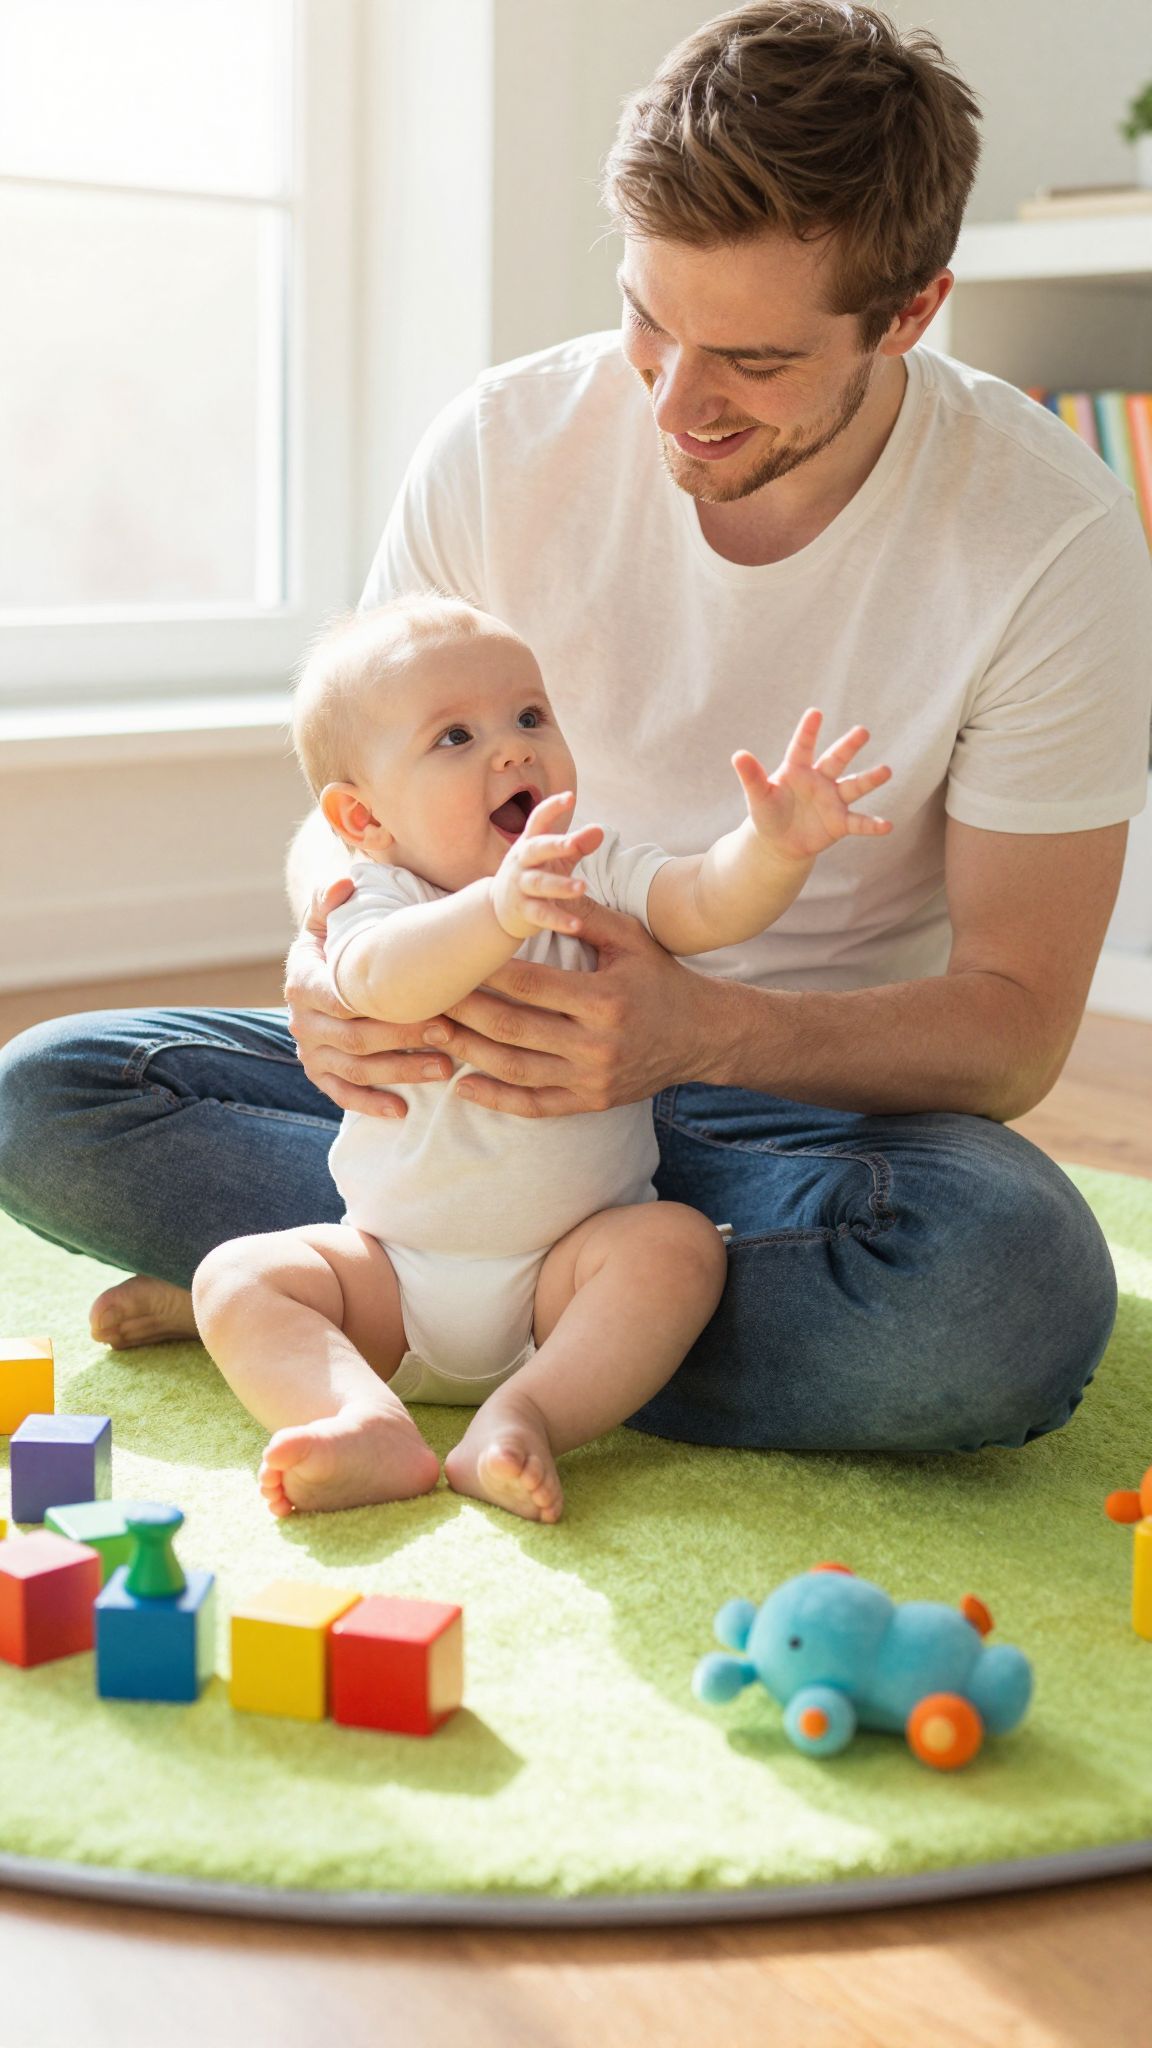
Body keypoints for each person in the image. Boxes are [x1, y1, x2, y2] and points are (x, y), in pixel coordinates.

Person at [1, 2, 1149, 1457]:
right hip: (464, 1075)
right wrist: (328, 951)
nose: (676, 401)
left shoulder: (1052, 539)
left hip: (795, 1113)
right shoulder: (503, 442)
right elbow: (347, 799)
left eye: (751, 358)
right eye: (647, 319)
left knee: (1004, 1289)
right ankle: (528, 1316)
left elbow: (1014, 1029)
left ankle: (370, 1309)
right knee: (54, 1094)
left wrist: (697, 1031)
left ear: (911, 312)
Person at [192, 594, 893, 1520]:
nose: (514, 748)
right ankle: (364, 1419)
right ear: (362, 817)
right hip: (391, 1273)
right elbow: (378, 981)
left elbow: (697, 902)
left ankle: (521, 1419)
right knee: (234, 1279)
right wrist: (500, 910)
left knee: (676, 1250)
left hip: (569, 1277)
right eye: (455, 737)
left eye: (529, 717)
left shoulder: (588, 870)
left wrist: (770, 849)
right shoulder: (377, 895)